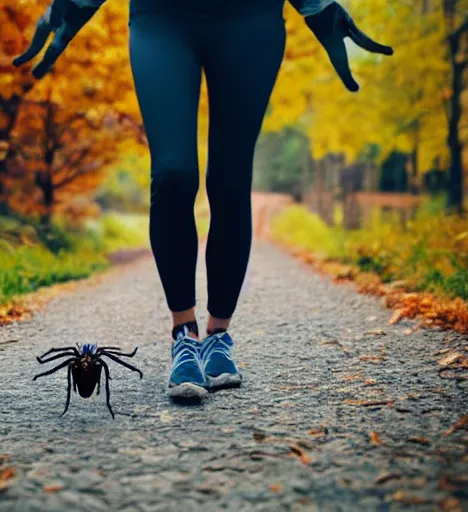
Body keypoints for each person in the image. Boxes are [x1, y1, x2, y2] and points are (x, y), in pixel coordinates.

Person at [13, 0, 392, 401]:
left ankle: (217, 336)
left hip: (250, 20)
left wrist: (316, 6)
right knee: (173, 174)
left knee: (230, 179)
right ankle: (184, 333)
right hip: (161, 18)